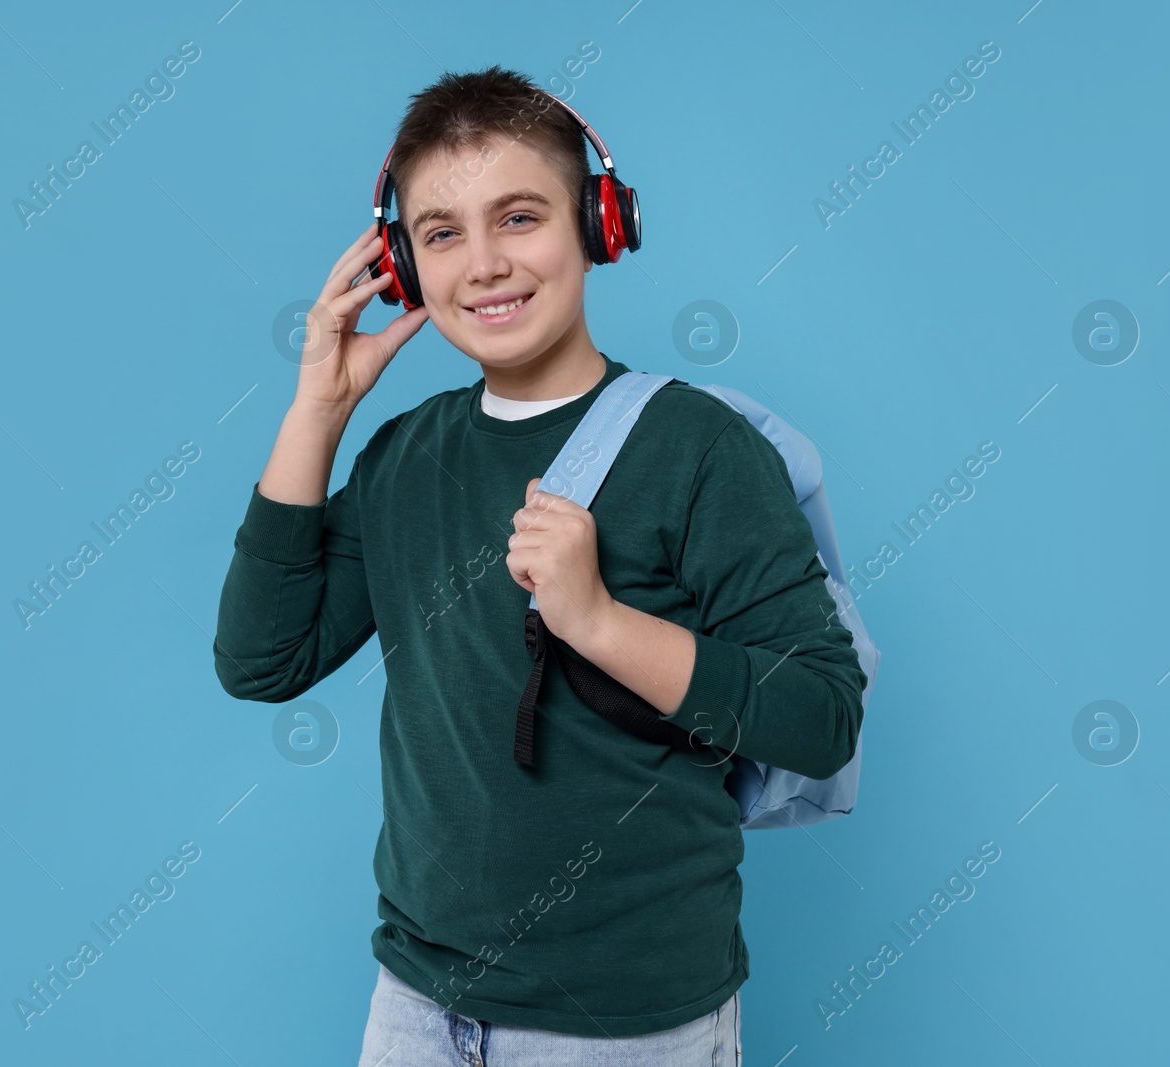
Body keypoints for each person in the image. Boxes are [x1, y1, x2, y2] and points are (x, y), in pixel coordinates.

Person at [213, 65, 865, 1065]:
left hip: (627, 1021)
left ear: (597, 224)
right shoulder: (403, 455)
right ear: (402, 264)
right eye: (440, 233)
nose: (482, 263)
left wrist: (598, 618)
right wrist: (319, 411)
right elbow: (262, 658)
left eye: (518, 217)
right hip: (418, 1000)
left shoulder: (696, 447)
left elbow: (820, 716)